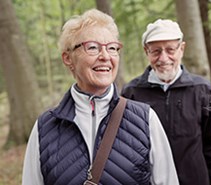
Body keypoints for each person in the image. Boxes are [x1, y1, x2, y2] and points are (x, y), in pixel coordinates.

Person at [22, 9, 179, 185]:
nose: (105, 56)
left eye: (112, 48)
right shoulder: (44, 127)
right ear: (68, 58)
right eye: (93, 47)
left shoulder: (145, 119)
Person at [121, 19, 211, 185]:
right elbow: (127, 151)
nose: (163, 58)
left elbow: (210, 144)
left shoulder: (201, 88)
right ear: (146, 51)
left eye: (170, 50)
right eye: (155, 51)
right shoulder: (131, 93)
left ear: (181, 49)